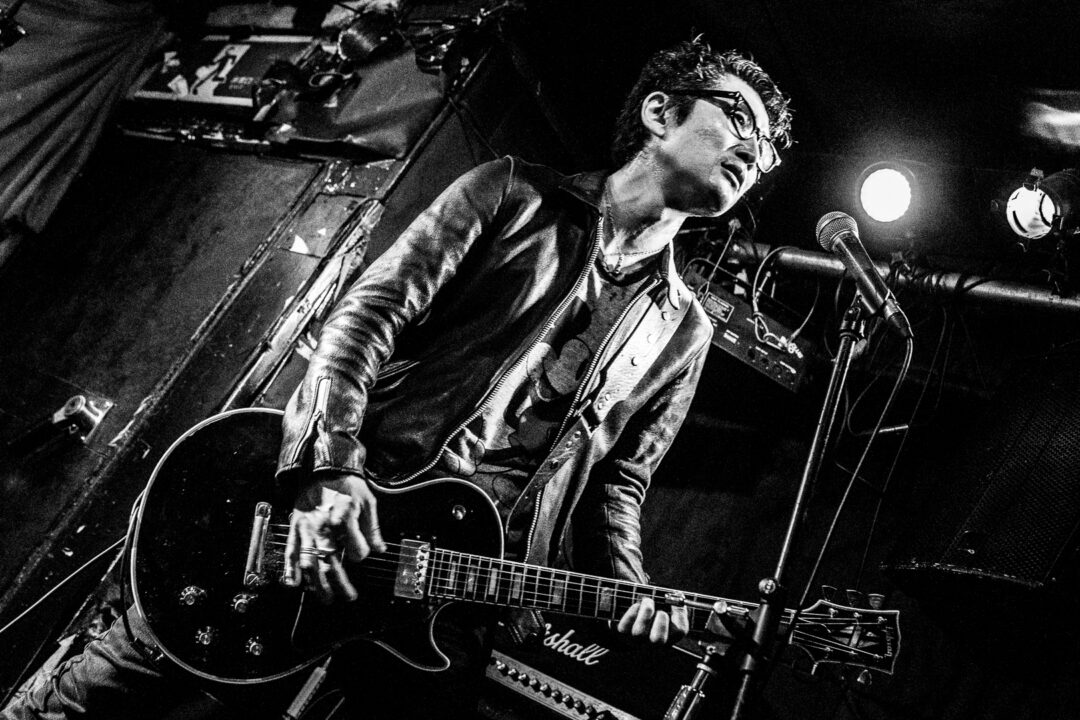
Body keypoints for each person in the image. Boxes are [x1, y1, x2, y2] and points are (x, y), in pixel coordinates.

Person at [1, 36, 791, 720]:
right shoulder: (511, 192)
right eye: (741, 120)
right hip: (353, 512)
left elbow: (618, 488)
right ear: (660, 113)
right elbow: (365, 318)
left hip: (458, 599)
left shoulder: (683, 329)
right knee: (104, 695)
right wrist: (328, 469)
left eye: (768, 156)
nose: (755, 154)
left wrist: (632, 594)